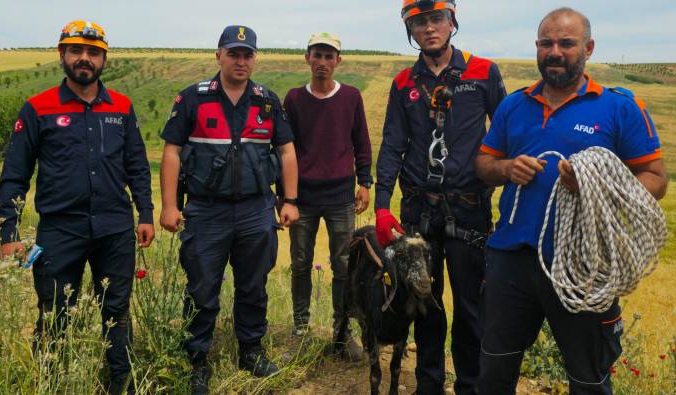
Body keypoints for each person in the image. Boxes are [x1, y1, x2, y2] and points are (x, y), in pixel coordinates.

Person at [475, 8, 668, 395]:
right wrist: (507, 168)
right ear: (537, 48)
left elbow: (656, 179)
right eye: (546, 43)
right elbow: (483, 164)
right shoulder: (514, 106)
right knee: (494, 372)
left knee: (588, 378)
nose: (555, 51)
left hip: (583, 263)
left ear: (588, 48)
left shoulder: (619, 107)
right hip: (510, 259)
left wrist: (597, 185)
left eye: (566, 43)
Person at [0, 20, 155, 394]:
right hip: (59, 230)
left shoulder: (122, 107)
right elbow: (15, 174)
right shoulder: (37, 108)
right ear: (62, 54)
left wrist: (145, 213)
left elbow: (136, 165)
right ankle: (51, 383)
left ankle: (122, 384)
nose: (85, 58)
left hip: (115, 229)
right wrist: (9, 233)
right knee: (53, 314)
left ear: (104, 58)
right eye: (76, 51)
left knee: (116, 312)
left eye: (93, 52)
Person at [375, 1, 507, 393]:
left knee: (471, 310)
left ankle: (469, 385)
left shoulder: (484, 73)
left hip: (469, 212)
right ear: (410, 30)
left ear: (451, 22)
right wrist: (382, 206)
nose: (429, 29)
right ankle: (428, 386)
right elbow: (392, 146)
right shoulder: (403, 83)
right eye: (419, 23)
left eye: (436, 19)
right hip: (418, 213)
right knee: (424, 305)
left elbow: (505, 134)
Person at [158, 25, 299, 394]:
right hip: (206, 211)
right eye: (233, 53)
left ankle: (251, 351)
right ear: (218, 55)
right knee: (202, 288)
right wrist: (170, 206)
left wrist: (291, 200)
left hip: (256, 209)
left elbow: (286, 152)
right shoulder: (192, 98)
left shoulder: (267, 100)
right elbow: (171, 153)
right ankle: (197, 361)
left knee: (254, 286)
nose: (240, 60)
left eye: (247, 54)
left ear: (255, 58)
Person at [283, 32, 372, 361]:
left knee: (344, 265)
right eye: (317, 55)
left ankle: (341, 332)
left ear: (338, 61)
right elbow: (285, 149)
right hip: (302, 196)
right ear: (307, 58)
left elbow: (361, 141)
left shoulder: (350, 97)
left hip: (340, 196)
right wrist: (285, 197)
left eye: (329, 56)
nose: (322, 62)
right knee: (301, 263)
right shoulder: (293, 99)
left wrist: (365, 181)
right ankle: (301, 331)